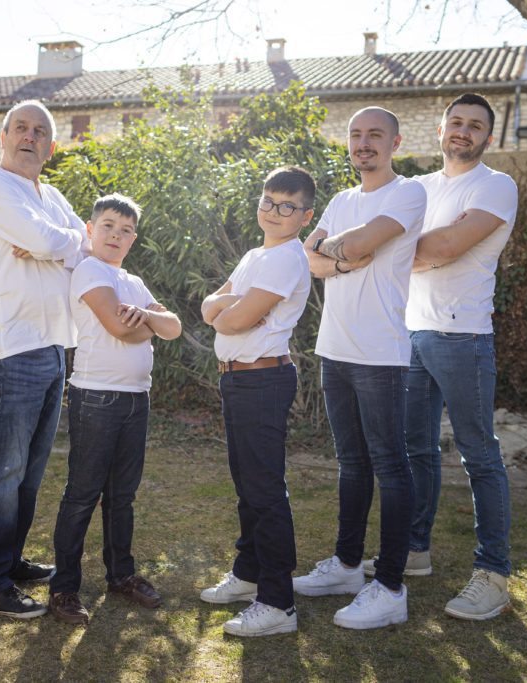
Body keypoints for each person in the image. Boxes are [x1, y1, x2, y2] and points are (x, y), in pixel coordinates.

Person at [368, 92, 517, 620]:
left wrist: (406, 251)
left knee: (479, 455)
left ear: (488, 137)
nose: (464, 131)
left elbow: (444, 247)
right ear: (440, 130)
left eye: (475, 125)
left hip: (463, 338)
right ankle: (415, 550)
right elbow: (407, 250)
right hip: (409, 332)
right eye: (456, 122)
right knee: (416, 452)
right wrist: (414, 252)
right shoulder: (419, 188)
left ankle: (493, 574)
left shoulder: (497, 186)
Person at [293, 107, 426, 630]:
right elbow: (309, 254)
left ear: (395, 142)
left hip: (381, 352)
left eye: (375, 135)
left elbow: (364, 242)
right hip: (336, 348)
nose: (364, 143)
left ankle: (390, 586)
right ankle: (348, 566)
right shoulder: (343, 199)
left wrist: (337, 251)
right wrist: (341, 258)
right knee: (351, 462)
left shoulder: (409, 193)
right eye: (356, 135)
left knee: (390, 464)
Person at [0, 100, 89, 619]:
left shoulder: (53, 194)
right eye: (21, 127)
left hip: (53, 343)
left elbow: (88, 243)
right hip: (12, 343)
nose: (29, 136)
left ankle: (10, 560)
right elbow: (54, 240)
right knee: (4, 466)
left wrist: (52, 245)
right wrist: (53, 244)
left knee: (32, 469)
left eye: (40, 132)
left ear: (51, 147)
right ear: (3, 136)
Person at [47, 194, 182, 625]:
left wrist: (145, 317)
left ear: (133, 239)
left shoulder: (134, 282)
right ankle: (64, 588)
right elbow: (121, 330)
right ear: (90, 229)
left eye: (125, 230)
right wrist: (149, 324)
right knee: (82, 495)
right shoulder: (89, 270)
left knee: (122, 496)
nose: (115, 235)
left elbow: (174, 327)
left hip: (136, 399)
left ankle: (121, 575)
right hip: (96, 398)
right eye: (107, 226)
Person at [198, 166, 315, 637]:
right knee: (248, 486)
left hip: (263, 381)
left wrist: (228, 309)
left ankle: (278, 603)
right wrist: (228, 309)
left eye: (287, 206)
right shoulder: (253, 255)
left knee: (265, 490)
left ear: (305, 216)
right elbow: (211, 307)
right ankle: (248, 576)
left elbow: (228, 319)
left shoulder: (287, 258)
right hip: (237, 380)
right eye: (268, 201)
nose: (274, 211)